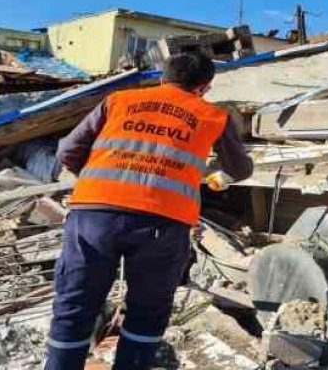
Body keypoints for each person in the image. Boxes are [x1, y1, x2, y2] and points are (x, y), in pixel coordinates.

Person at [44, 52, 253, 370]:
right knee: (147, 310)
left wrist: (98, 178)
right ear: (205, 87)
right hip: (163, 224)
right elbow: (240, 168)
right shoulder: (214, 116)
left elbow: (67, 151)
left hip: (94, 215)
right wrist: (220, 177)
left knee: (75, 303)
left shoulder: (118, 100)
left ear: (162, 78)